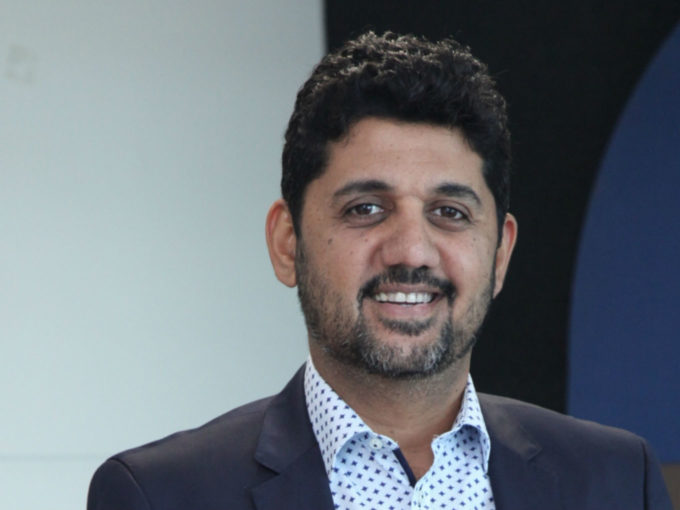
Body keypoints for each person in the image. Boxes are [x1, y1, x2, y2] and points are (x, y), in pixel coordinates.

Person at [87, 31, 672, 510]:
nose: (411, 252)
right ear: (287, 243)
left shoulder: (619, 481)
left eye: (449, 212)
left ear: (500, 255)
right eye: (366, 209)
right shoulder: (160, 495)